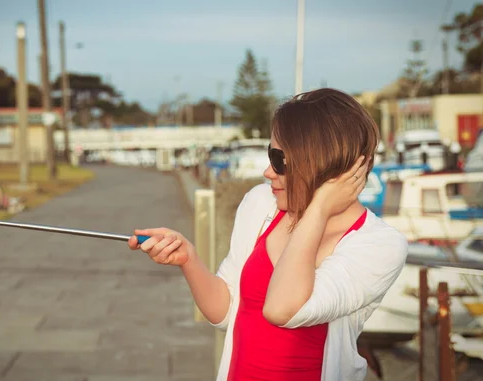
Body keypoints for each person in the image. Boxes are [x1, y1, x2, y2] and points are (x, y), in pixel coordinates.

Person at [128, 88, 408, 381]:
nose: (267, 172)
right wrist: (189, 259)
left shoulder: (379, 244)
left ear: (322, 164)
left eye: (279, 160)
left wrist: (319, 207)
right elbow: (227, 313)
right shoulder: (261, 203)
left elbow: (282, 309)